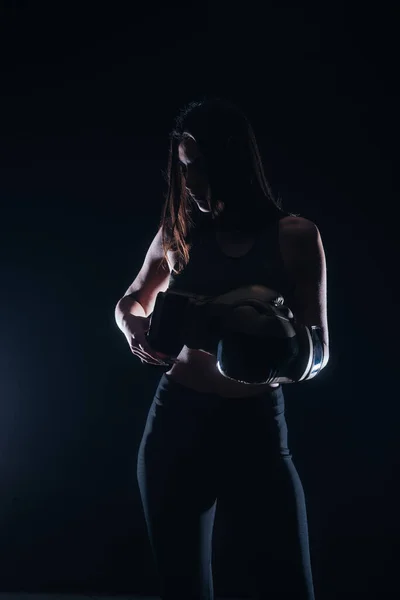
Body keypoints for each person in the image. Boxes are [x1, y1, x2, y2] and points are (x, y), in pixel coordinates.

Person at [115, 97, 329, 599]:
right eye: (183, 169)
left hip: (255, 429)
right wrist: (131, 324)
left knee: (289, 588)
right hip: (176, 424)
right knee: (183, 589)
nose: (188, 182)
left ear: (231, 162)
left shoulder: (294, 236)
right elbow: (132, 301)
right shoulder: (179, 233)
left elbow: (320, 352)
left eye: (199, 168)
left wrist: (263, 349)